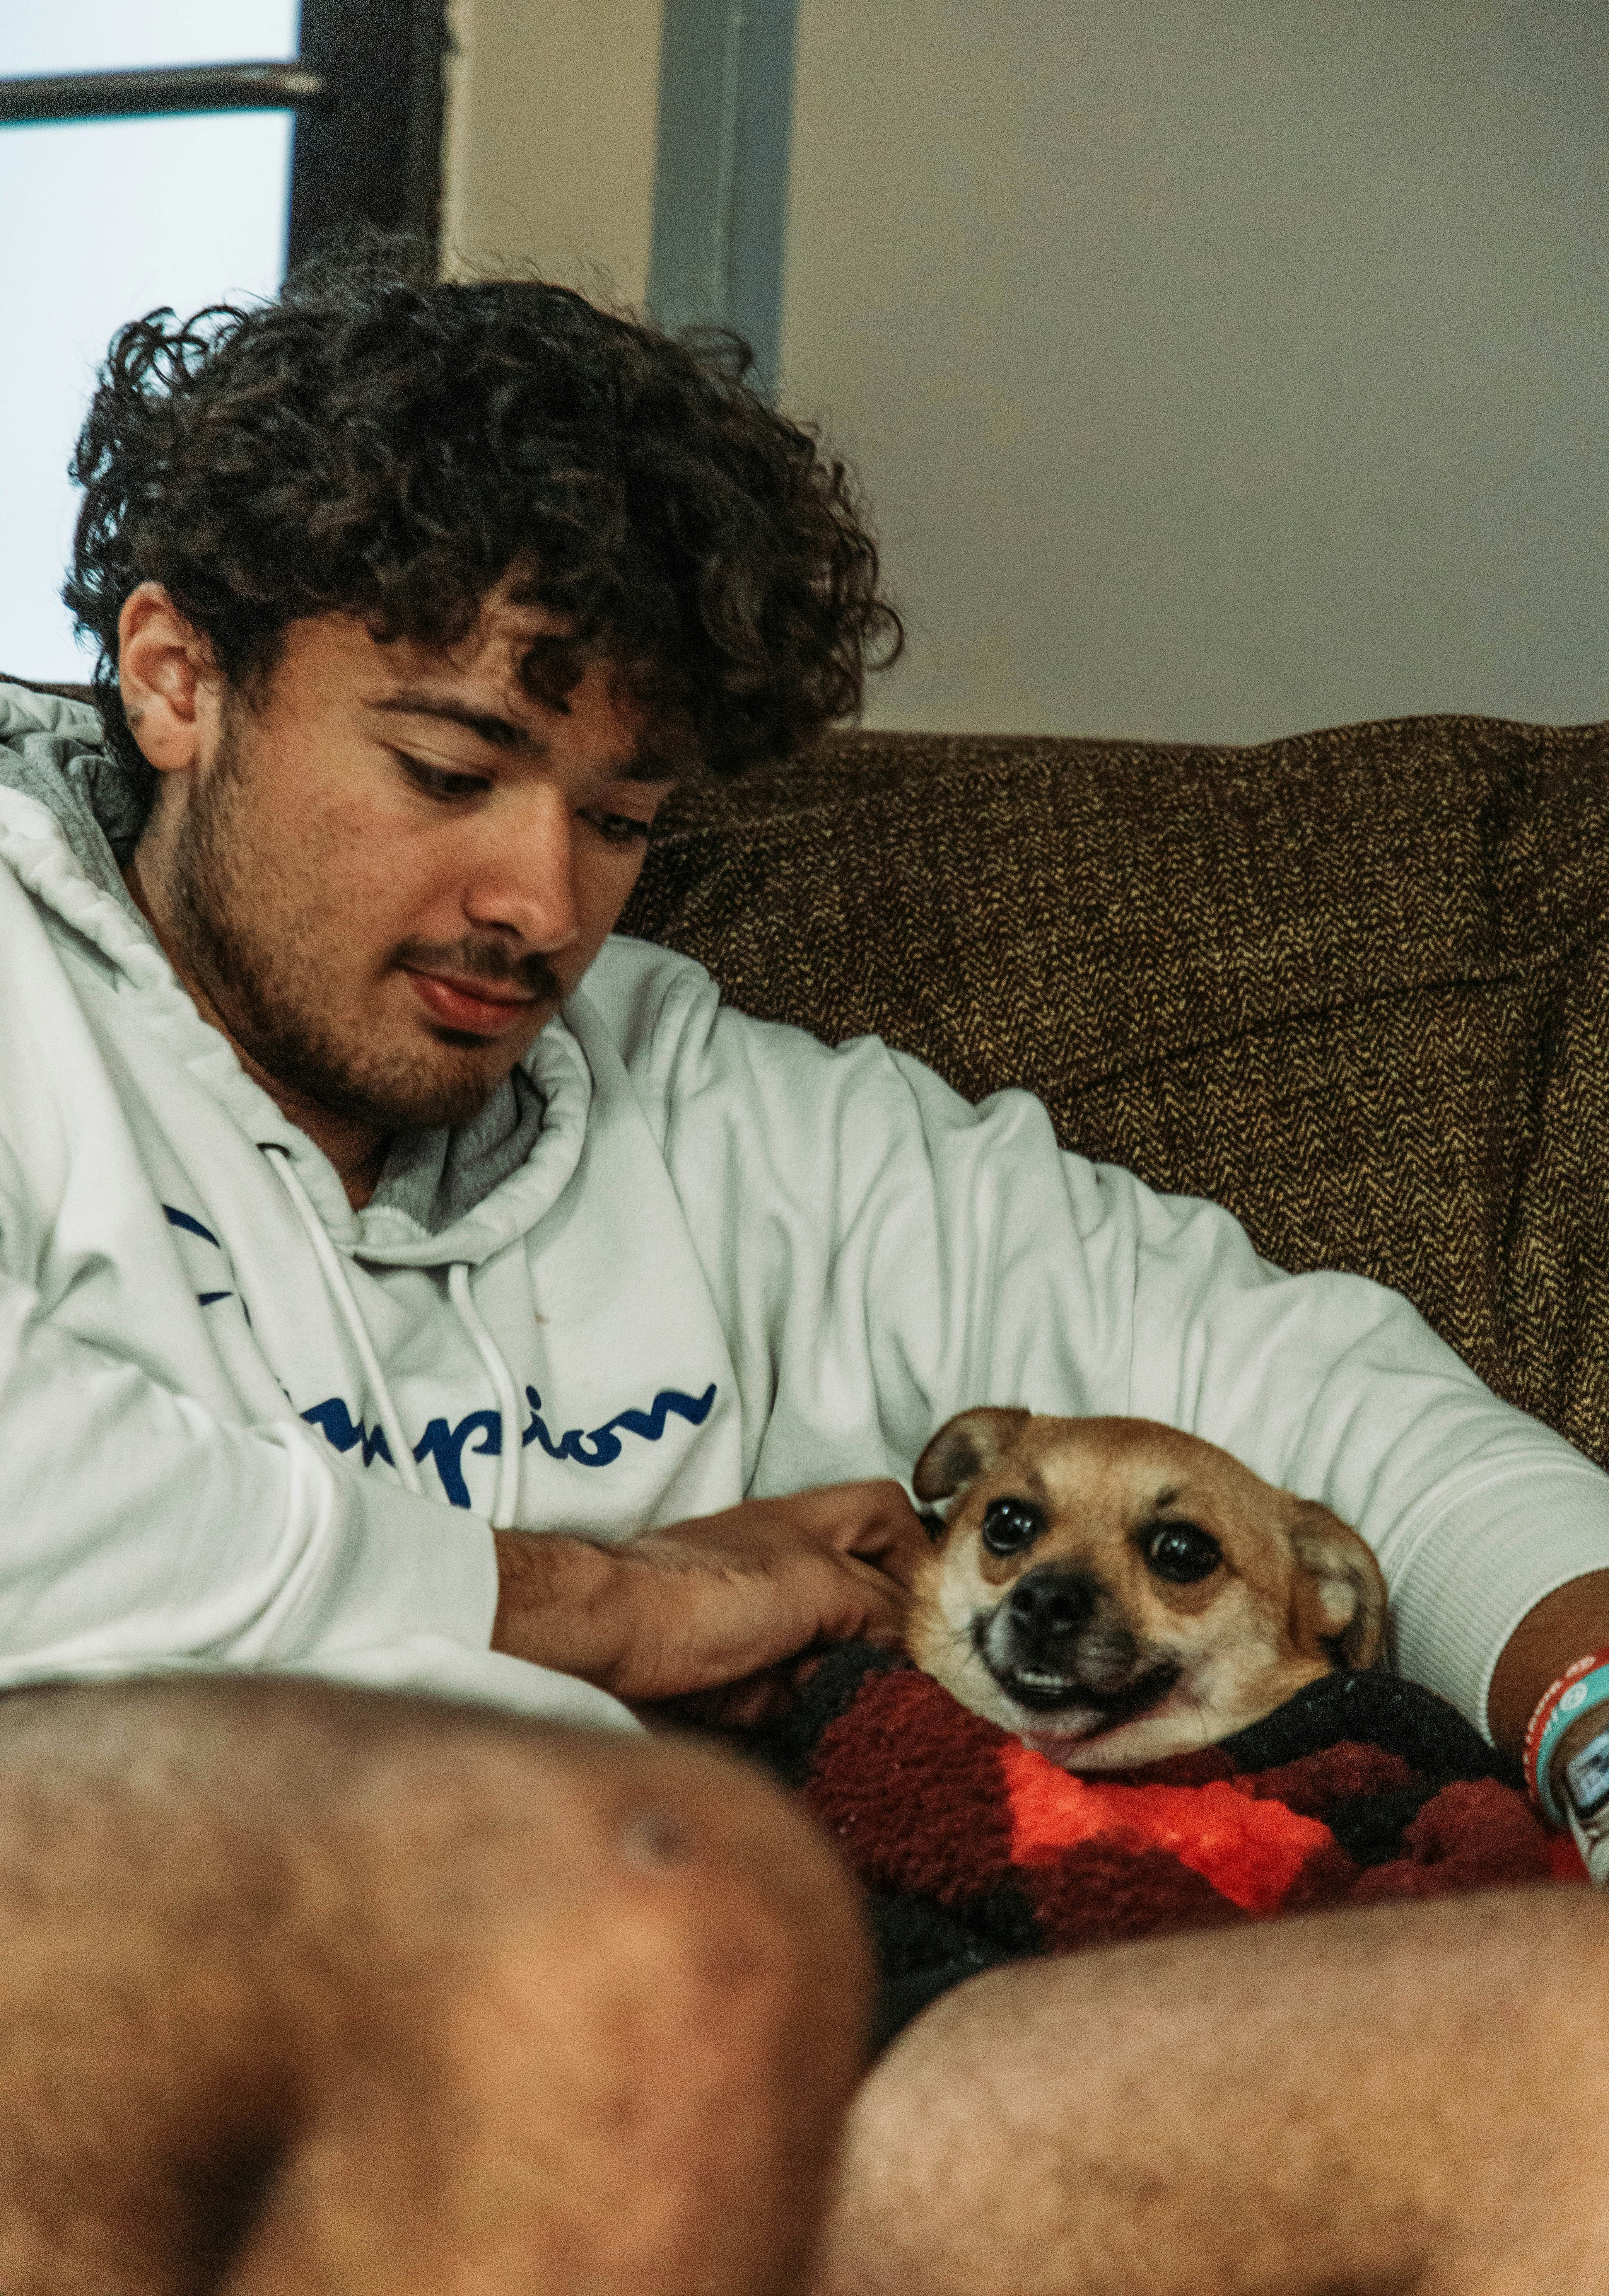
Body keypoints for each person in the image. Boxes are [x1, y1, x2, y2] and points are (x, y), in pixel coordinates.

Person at [2, 236, 1607, 2292]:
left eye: (619, 816)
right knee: (660, 1908)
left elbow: (1317, 1398)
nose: (537, 902)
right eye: (449, 770)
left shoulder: (726, 1111)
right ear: (175, 677)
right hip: (148, 2005)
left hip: (737, 2068)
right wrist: (602, 1603)